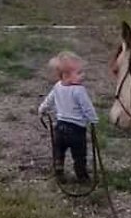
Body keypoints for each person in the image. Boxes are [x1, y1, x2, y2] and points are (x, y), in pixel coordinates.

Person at [38, 51, 98, 184]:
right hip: (76, 131)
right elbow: (87, 107)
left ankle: (58, 169)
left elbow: (49, 100)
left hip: (59, 128)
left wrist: (42, 109)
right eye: (79, 73)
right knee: (79, 155)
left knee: (59, 151)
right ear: (66, 75)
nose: (83, 75)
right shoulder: (79, 90)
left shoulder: (57, 87)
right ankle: (82, 176)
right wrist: (93, 119)